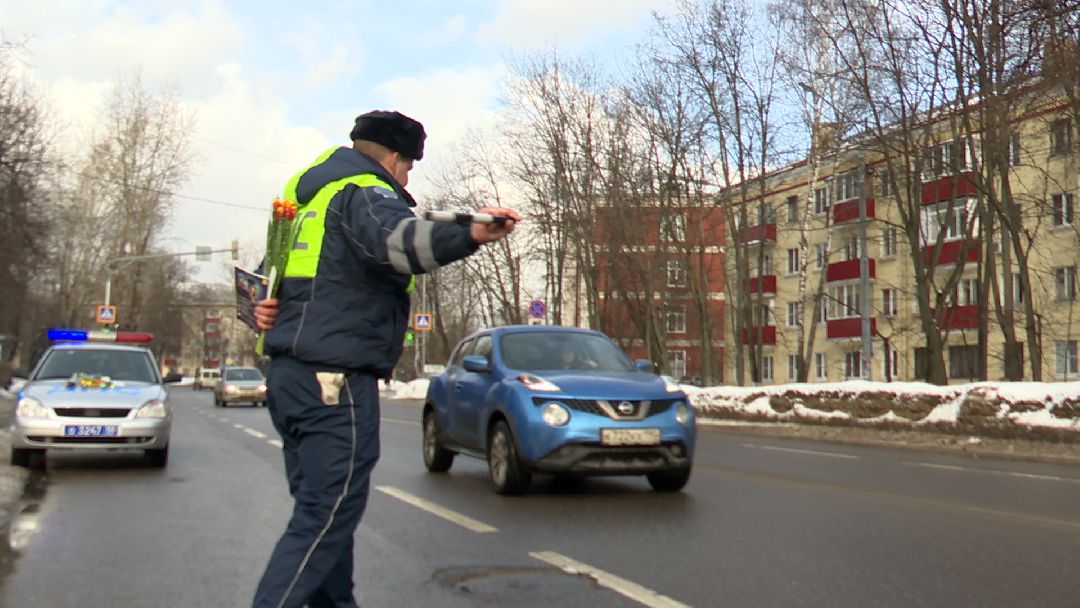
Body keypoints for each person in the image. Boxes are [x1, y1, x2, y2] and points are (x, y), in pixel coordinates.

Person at [250, 110, 519, 608]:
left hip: (288, 378)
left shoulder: (308, 198)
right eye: (409, 168)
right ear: (396, 158)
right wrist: (472, 235)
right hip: (334, 380)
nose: (407, 178)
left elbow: (264, 284)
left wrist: (260, 310)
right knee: (326, 515)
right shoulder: (364, 191)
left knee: (326, 513)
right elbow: (399, 243)